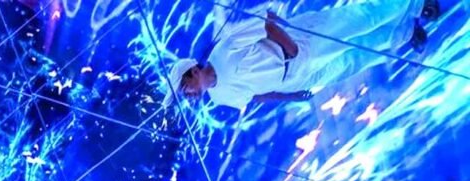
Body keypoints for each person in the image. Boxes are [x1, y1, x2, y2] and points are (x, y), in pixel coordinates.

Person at [165, 0, 441, 111]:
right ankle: (406, 31)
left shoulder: (224, 48)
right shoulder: (219, 97)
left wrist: (292, 49)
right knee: (352, 61)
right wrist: (289, 96)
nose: (186, 95)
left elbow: (265, 23)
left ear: (193, 71)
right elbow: (254, 96)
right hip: (294, 78)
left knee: (357, 21)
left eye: (183, 87)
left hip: (299, 46)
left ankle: (415, 3)